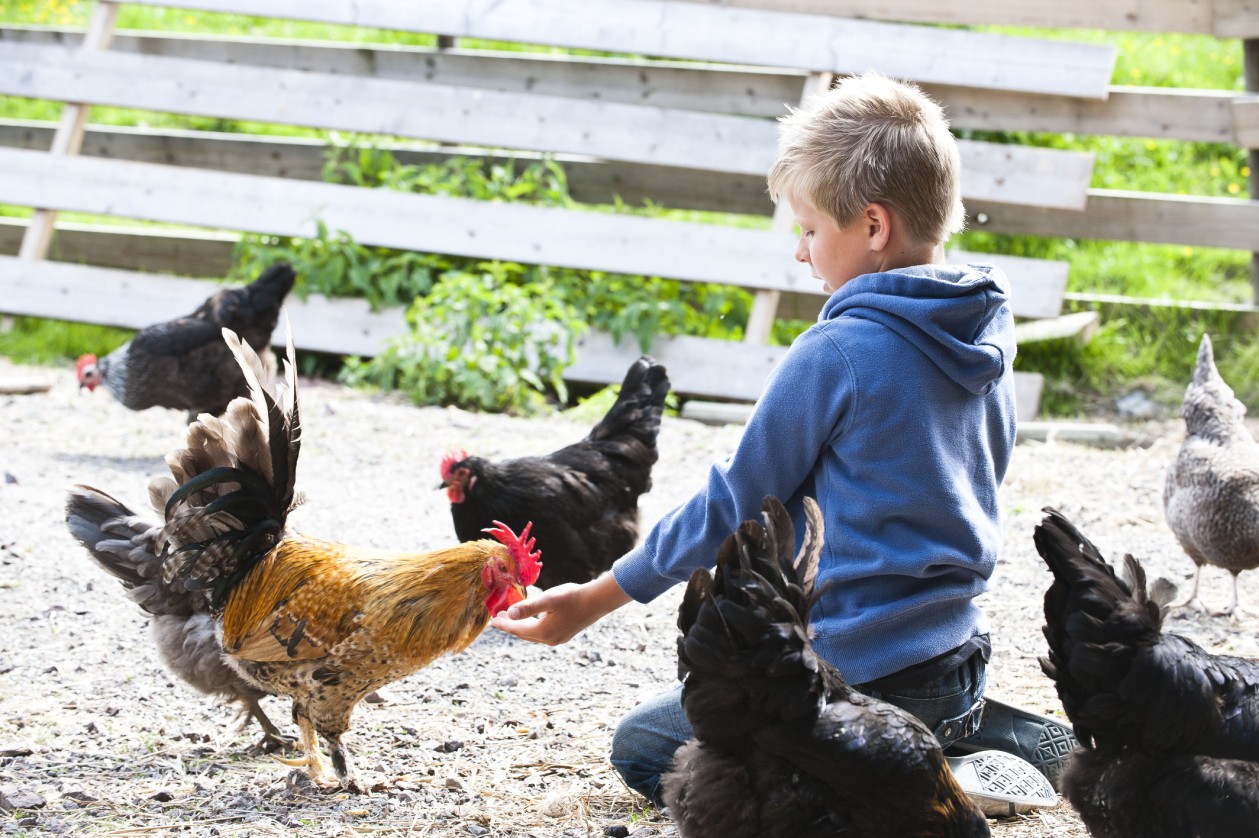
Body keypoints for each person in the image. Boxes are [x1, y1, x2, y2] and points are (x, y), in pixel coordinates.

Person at [492, 71, 1075, 805]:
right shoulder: (982, 328)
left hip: (856, 675)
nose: (800, 252)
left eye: (808, 229)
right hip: (954, 655)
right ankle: (963, 731)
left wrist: (599, 597)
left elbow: (730, 502)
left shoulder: (838, 353)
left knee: (647, 748)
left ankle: (917, 780)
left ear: (871, 226)